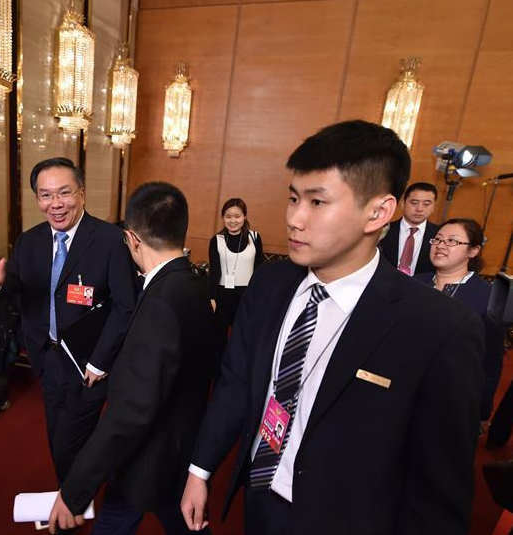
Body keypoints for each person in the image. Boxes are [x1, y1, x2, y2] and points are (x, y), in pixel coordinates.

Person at [180, 120, 484, 535]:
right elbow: (236, 383)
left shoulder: (439, 327)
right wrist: (200, 470)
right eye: (293, 198)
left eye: (317, 202)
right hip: (260, 494)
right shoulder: (271, 283)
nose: (295, 219)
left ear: (378, 212)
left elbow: (436, 492)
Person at [48, 182, 216, 535]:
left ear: (133, 239)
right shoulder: (192, 283)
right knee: (178, 518)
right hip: (182, 444)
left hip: (148, 453)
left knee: (117, 521)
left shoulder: (159, 301)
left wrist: (74, 491)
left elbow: (130, 413)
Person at [0, 157, 137, 483]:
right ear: (37, 200)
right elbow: (12, 286)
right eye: (45, 195)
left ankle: (70, 505)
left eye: (64, 193)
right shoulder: (29, 242)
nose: (55, 204)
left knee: (67, 445)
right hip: (47, 359)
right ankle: (73, 495)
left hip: (89, 365)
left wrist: (100, 363)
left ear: (82, 194)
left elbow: (125, 307)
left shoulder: (109, 241)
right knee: (57, 435)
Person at [416, 218, 505, 429]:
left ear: (473, 251)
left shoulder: (488, 296)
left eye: (452, 241)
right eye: (437, 239)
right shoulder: (414, 283)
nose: (441, 245)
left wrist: (482, 409)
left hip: (451, 400)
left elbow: (491, 359)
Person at [208, 198, 264, 354]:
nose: (233, 220)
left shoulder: (255, 237)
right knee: (219, 340)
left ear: (244, 216)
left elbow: (259, 268)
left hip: (247, 295)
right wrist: (211, 298)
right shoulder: (216, 240)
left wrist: (258, 295)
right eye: (228, 216)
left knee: (242, 337)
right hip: (222, 295)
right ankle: (217, 373)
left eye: (237, 216)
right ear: (223, 218)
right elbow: (214, 271)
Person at [378, 181, 439, 276]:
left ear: (433, 207)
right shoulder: (382, 230)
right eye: (414, 203)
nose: (419, 209)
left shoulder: (439, 235)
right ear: (403, 204)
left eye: (426, 204)